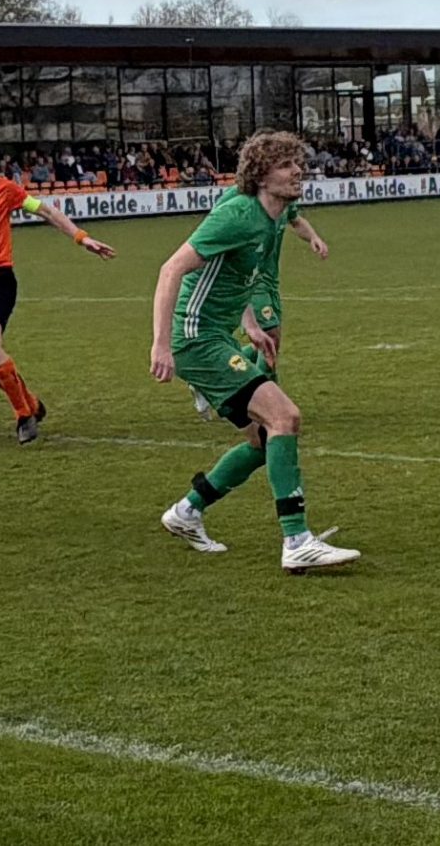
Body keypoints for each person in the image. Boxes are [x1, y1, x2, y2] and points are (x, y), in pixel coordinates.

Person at [152, 131, 360, 572]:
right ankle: (297, 539)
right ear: (261, 175)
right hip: (196, 339)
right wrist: (162, 344)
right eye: (286, 165)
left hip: (219, 336)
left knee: (264, 440)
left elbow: (235, 273)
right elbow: (171, 268)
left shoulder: (272, 218)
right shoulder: (239, 215)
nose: (297, 171)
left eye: (298, 162)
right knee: (285, 417)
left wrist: (249, 324)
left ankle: (187, 512)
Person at [0, 133, 115, 445]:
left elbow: (46, 211)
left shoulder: (4, 189)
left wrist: (81, 237)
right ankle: (30, 401)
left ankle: (23, 416)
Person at [194, 198, 329, 420]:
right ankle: (269, 406)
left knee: (268, 343)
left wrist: (313, 237)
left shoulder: (281, 201)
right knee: (270, 334)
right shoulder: (238, 200)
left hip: (270, 281)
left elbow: (295, 220)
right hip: (250, 280)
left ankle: (206, 372)